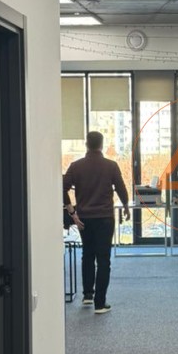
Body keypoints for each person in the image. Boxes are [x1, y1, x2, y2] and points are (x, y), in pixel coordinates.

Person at [63, 131, 129, 314]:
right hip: (105, 218)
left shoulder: (76, 166)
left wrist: (72, 213)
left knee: (87, 255)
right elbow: (121, 188)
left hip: (84, 218)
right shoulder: (111, 165)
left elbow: (62, 188)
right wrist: (126, 206)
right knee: (103, 259)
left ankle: (87, 295)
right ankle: (100, 303)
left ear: (86, 144)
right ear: (101, 145)